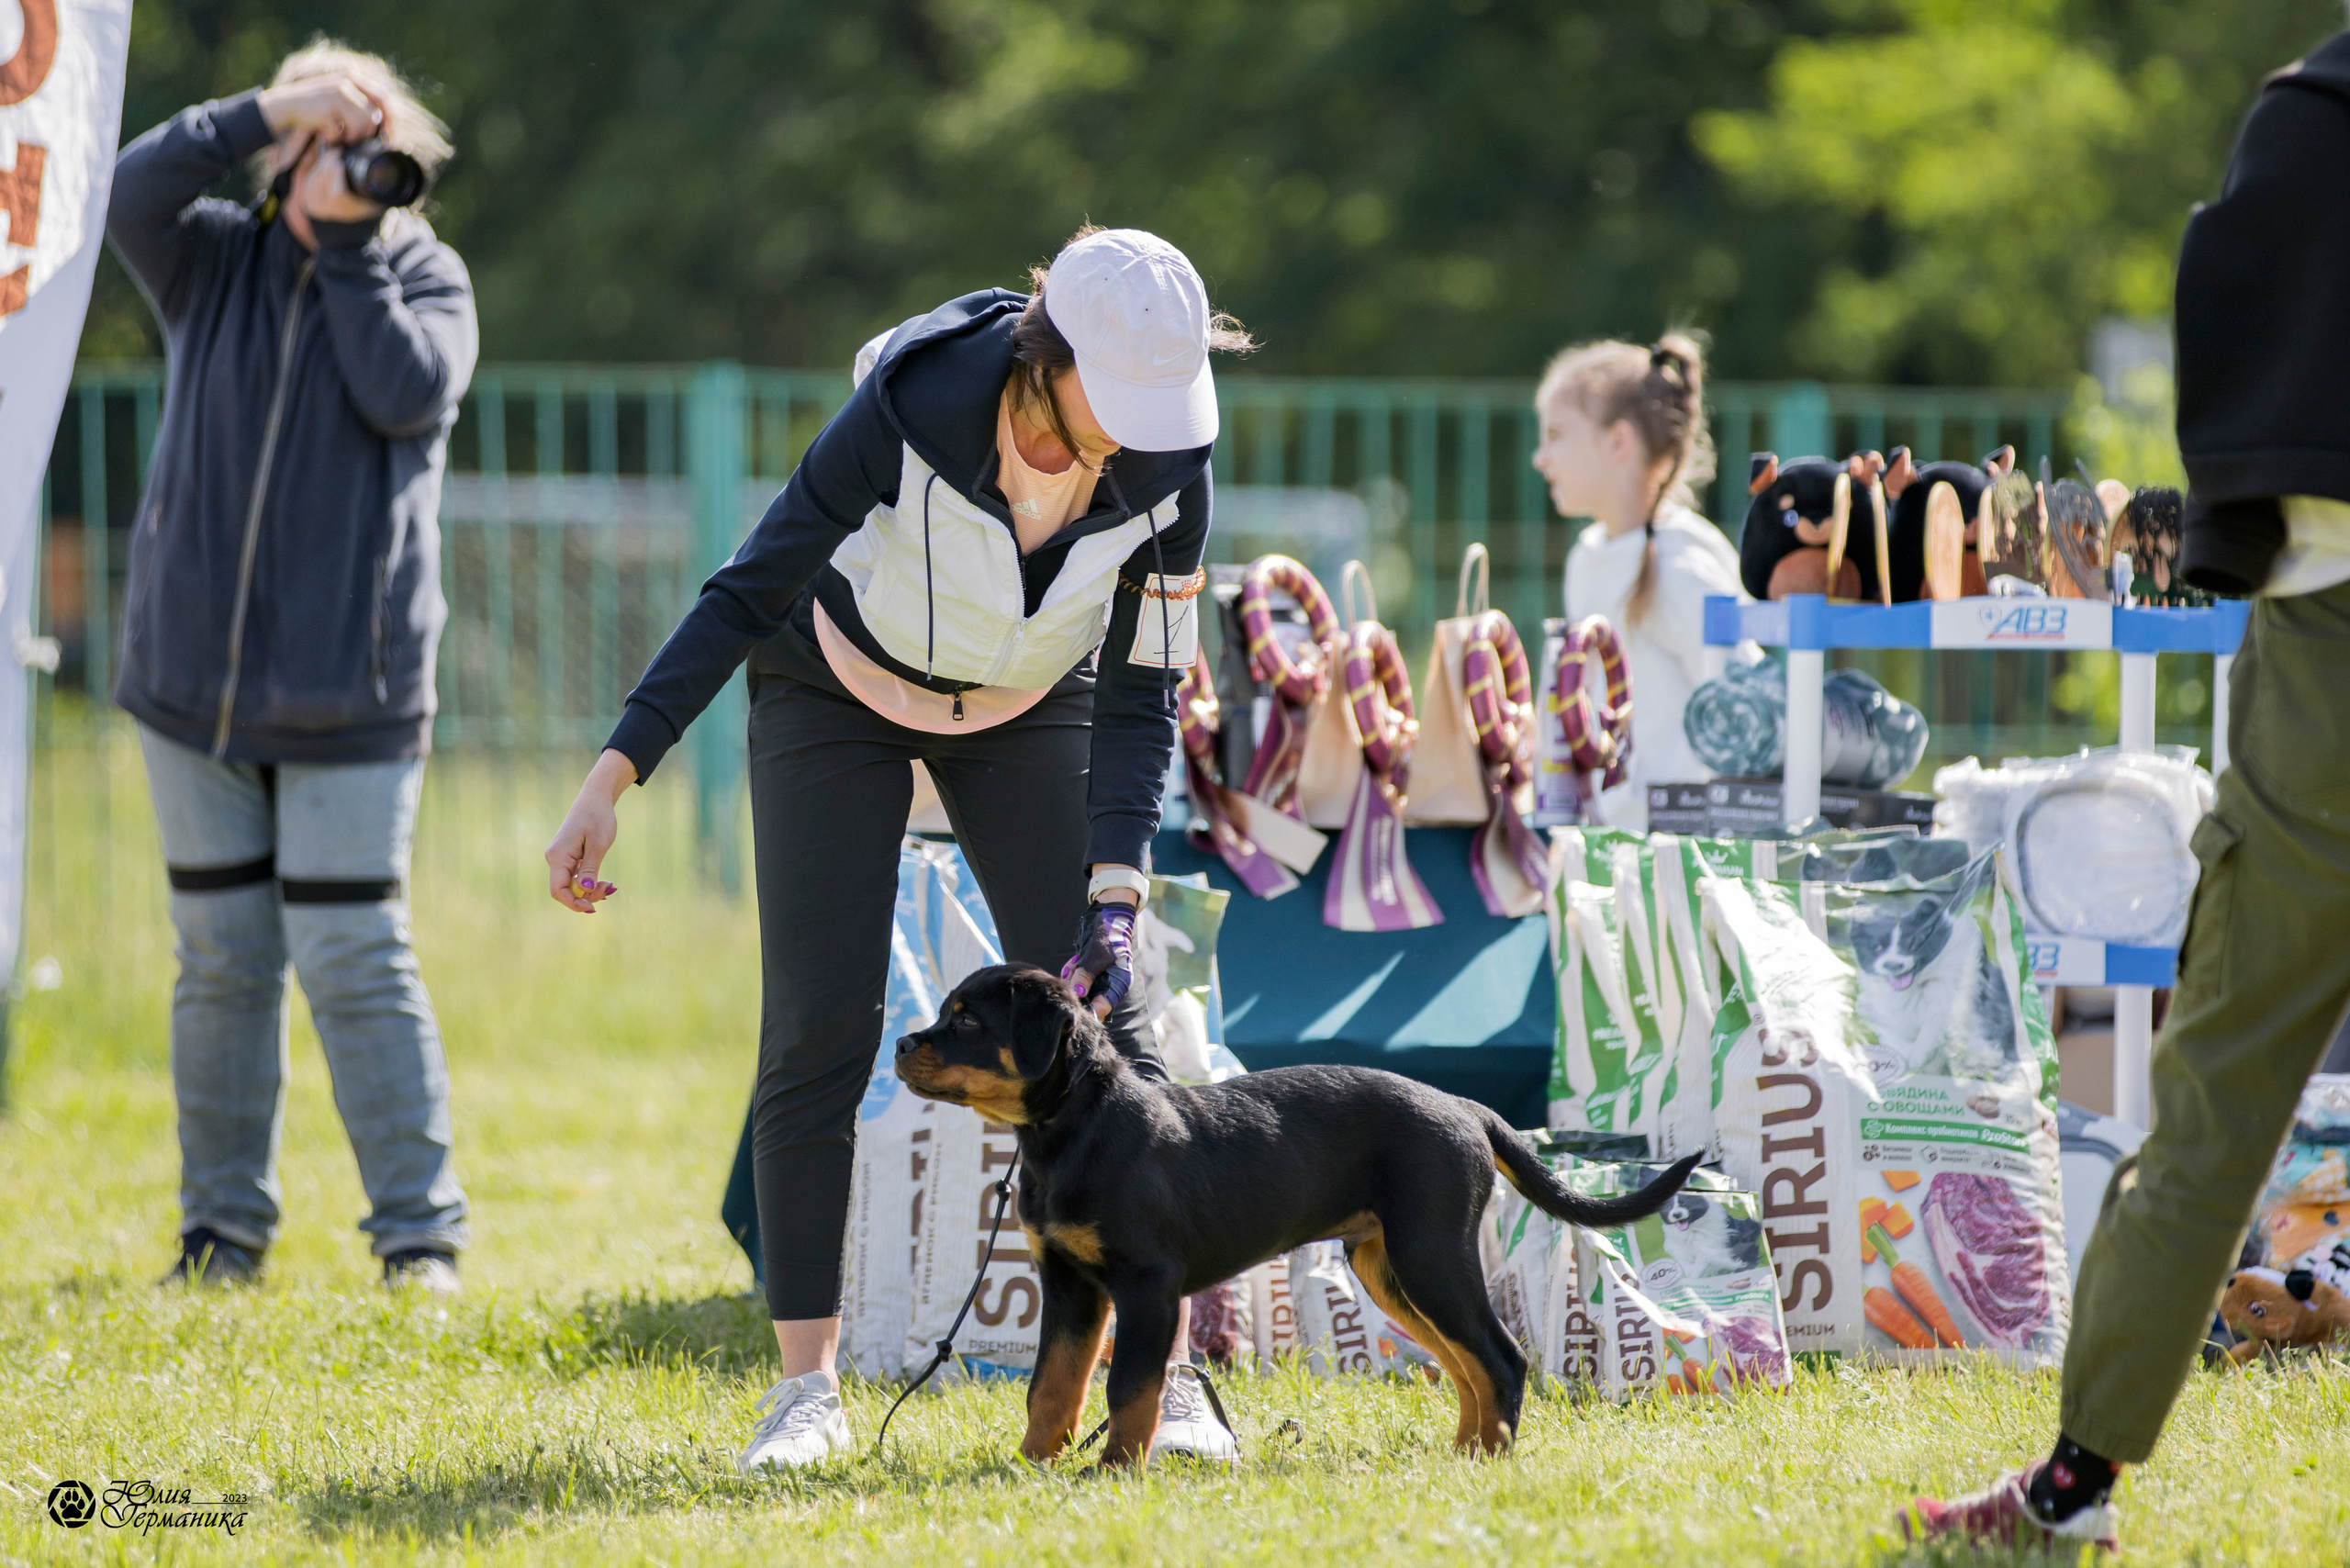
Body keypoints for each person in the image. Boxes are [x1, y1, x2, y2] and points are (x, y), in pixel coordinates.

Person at [544, 227, 1252, 1472]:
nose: (1145, 429)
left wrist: (1118, 890)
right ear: (1051, 356)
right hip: (835, 691)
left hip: (1027, 708)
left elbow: (1144, 693)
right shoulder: (917, 402)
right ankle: (804, 1394)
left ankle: (1173, 1377)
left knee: (1118, 1023)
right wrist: (617, 770)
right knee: (821, 1021)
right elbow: (750, 584)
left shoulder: (1170, 467)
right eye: (1121, 399)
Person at [1909, 30, 2350, 1552]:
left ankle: (2074, 1482)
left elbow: (2235, 337)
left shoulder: (2310, 117)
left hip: (2328, 663)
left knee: (2219, 1093)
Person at [106, 43, 477, 1294]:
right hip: (189, 685)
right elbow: (125, 193)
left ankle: (419, 1241)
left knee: (354, 954)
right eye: (324, 135)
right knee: (220, 961)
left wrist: (353, 248)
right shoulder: (209, 257)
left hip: (350, 698)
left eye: (368, 139)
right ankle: (220, 1236)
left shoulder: (427, 278)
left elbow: (404, 393)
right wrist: (266, 109)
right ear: (284, 152)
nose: (347, 161)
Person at [1533, 334, 1751, 826]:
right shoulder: (1587, 558)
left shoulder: (1682, 564)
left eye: (1555, 435)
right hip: (1610, 845)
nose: (1540, 458)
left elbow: (1749, 709)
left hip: (1684, 858)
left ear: (1618, 442)